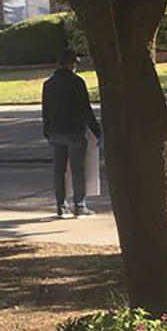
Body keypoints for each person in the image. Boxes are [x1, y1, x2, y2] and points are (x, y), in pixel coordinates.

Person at [42, 48, 102, 218]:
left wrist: (47, 131)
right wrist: (97, 132)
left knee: (59, 170)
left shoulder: (48, 84)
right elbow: (86, 110)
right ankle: (80, 205)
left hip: (56, 131)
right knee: (77, 170)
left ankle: (61, 206)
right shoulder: (77, 82)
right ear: (71, 63)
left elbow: (45, 110)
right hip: (74, 131)